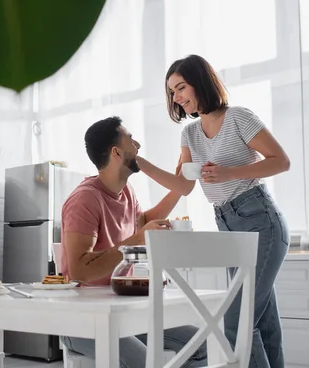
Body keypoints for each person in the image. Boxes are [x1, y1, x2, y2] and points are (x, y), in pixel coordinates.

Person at [137, 54, 290, 368]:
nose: (177, 98)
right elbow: (184, 186)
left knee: (237, 322)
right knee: (261, 321)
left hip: (260, 220)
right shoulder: (190, 135)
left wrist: (228, 173)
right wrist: (140, 164)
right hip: (227, 225)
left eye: (181, 88)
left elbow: (281, 161)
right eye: (172, 93)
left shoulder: (238, 118)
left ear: (200, 82)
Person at [59, 116, 207, 368]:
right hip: (84, 321)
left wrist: (181, 185)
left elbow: (145, 220)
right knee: (145, 363)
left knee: (201, 345)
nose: (137, 145)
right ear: (116, 152)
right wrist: (138, 239)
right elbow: (79, 270)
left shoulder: (126, 192)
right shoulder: (85, 199)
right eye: (131, 140)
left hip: (124, 313)